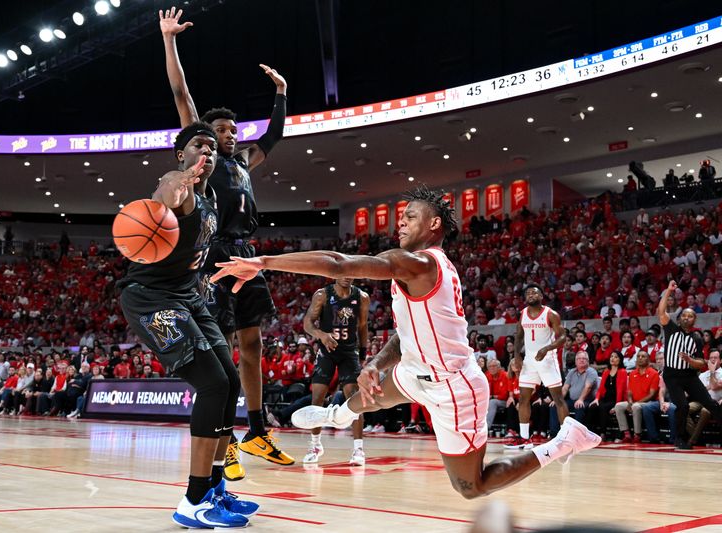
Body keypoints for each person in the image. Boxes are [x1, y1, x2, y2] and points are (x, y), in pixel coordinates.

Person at [211, 186, 601, 500]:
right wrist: (374, 365)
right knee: (374, 390)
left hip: (453, 386)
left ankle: (564, 442)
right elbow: (402, 336)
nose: (400, 224)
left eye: (409, 217)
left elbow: (338, 263)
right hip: (415, 371)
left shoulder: (422, 262)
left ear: (433, 223)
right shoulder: (415, 270)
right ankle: (336, 417)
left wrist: (262, 262)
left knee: (471, 487)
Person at [159, 6, 293, 479]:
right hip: (213, 254)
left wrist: (280, 95)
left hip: (246, 254)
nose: (227, 137)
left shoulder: (244, 160)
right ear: (202, 139)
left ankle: (256, 429)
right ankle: (225, 440)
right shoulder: (205, 161)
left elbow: (274, 135)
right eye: (218, 133)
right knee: (224, 348)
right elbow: (182, 94)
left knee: (254, 345)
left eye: (232, 132)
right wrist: (170, 41)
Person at [117, 121, 256, 528]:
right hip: (150, 299)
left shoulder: (211, 197)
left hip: (188, 298)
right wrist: (170, 193)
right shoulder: (177, 185)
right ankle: (192, 501)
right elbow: (163, 198)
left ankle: (214, 488)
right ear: (182, 153)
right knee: (212, 384)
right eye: (199, 145)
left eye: (213, 148)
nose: (208, 152)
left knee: (230, 382)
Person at [301, 277, 369, 465]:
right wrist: (321, 335)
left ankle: (358, 449)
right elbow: (308, 322)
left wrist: (363, 351)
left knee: (353, 397)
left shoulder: (362, 297)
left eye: (351, 273)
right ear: (335, 274)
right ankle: (315, 445)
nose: (347, 277)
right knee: (317, 398)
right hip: (327, 351)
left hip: (349, 352)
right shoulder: (322, 295)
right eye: (343, 273)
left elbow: (363, 326)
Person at [658, 280, 722, 450]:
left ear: (695, 320)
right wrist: (668, 291)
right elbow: (661, 311)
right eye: (684, 315)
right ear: (680, 318)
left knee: (711, 404)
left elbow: (701, 362)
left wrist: (690, 360)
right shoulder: (671, 328)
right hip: (672, 376)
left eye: (690, 315)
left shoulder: (697, 337)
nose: (686, 317)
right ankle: (679, 439)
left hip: (689, 376)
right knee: (683, 406)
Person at [505, 285, 569, 450]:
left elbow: (562, 337)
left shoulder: (551, 314)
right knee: (524, 399)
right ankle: (525, 438)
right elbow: (518, 335)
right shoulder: (523, 314)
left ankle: (565, 438)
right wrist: (517, 356)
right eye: (528, 293)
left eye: (534, 292)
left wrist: (547, 348)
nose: (531, 295)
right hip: (529, 361)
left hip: (547, 359)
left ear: (542, 295)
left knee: (558, 399)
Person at [612, 351, 658, 443]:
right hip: (634, 401)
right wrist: (630, 402)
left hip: (647, 402)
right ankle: (626, 434)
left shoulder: (654, 373)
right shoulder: (633, 373)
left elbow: (652, 394)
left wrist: (635, 403)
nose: (640, 358)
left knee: (635, 407)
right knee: (618, 406)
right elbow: (629, 392)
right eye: (638, 356)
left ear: (648, 360)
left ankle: (637, 435)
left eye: (643, 356)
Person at [587, 352, 626, 440]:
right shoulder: (606, 371)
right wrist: (596, 399)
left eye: (615, 357)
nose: (612, 358)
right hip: (605, 398)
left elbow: (621, 391)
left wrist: (617, 405)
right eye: (611, 356)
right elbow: (600, 388)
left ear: (620, 360)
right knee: (592, 407)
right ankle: (590, 433)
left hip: (616, 399)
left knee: (603, 408)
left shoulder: (622, 372)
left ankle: (603, 433)